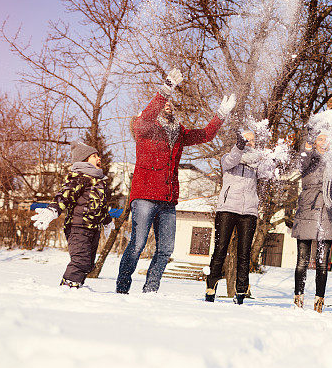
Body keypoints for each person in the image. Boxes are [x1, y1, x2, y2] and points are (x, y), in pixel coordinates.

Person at [116, 68, 236, 293]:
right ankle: (122, 287)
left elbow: (205, 135)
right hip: (144, 196)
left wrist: (221, 114)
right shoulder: (144, 128)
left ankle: (150, 290)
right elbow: (148, 114)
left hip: (168, 199)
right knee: (138, 244)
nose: (169, 104)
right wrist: (167, 87)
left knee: (165, 249)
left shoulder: (178, 133)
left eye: (171, 103)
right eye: (165, 102)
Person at [204, 127, 277, 304]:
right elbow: (232, 160)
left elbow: (268, 174)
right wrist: (239, 146)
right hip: (227, 209)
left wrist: (270, 158)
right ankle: (211, 285)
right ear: (239, 141)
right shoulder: (229, 157)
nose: (249, 143)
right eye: (246, 139)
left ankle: (242, 289)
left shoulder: (256, 162)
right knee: (220, 249)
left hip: (249, 211)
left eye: (252, 140)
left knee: (244, 253)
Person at [31, 141, 115, 288]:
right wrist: (53, 209)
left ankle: (76, 288)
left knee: (88, 264)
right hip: (78, 227)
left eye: (98, 155)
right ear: (84, 160)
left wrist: (107, 221)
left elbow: (99, 207)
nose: (98, 158)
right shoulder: (80, 177)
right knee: (80, 261)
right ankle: (68, 289)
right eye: (94, 156)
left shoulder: (99, 181)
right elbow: (65, 194)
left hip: (93, 229)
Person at [291, 130, 332, 312]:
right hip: (307, 210)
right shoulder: (309, 158)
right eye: (320, 139)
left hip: (327, 212)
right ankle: (298, 298)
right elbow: (302, 162)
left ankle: (319, 301)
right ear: (314, 142)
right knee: (302, 261)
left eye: (327, 139)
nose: (324, 142)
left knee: (323, 262)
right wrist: (307, 145)